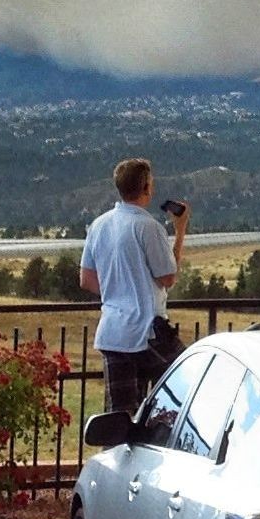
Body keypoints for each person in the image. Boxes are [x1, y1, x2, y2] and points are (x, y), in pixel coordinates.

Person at [81, 158, 183, 416]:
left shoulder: (99, 225)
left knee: (120, 418)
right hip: (147, 330)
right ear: (147, 187)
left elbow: (87, 280)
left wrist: (120, 293)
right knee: (185, 388)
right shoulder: (148, 227)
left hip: (114, 332)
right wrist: (180, 232)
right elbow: (168, 277)